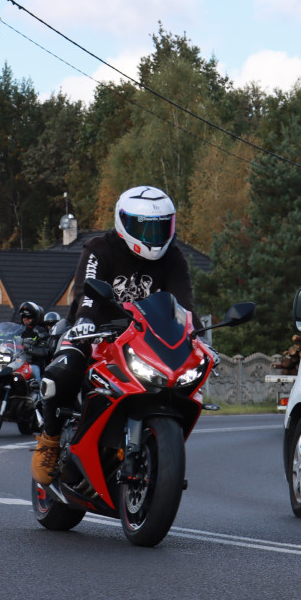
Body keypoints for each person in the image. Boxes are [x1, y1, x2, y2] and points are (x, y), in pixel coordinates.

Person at [32, 185, 197, 485]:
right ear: (123, 222)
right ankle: (50, 439)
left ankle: (155, 449)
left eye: (160, 228)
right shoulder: (99, 248)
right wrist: (84, 321)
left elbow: (183, 304)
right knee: (63, 371)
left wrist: (195, 335)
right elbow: (88, 292)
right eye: (143, 227)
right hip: (94, 332)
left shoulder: (173, 257)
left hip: (142, 339)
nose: (153, 236)